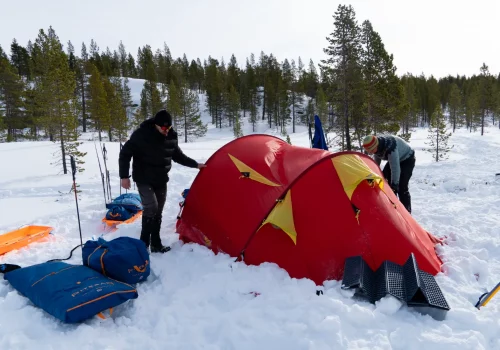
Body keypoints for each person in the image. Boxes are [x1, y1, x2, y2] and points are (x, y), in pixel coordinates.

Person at [119, 109, 206, 253]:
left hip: (160, 179)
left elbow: (177, 155)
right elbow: (125, 154)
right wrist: (124, 176)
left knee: (158, 211)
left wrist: (196, 164)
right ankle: (143, 245)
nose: (166, 130)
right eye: (163, 128)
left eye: (169, 127)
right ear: (156, 125)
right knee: (151, 208)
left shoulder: (171, 136)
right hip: (143, 178)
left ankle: (156, 244)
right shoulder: (141, 135)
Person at [362, 134, 415, 214]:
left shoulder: (391, 148)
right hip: (397, 158)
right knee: (385, 181)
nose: (371, 152)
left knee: (401, 186)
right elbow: (376, 165)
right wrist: (371, 176)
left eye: (372, 150)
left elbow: (395, 168)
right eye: (369, 151)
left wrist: (394, 185)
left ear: (376, 146)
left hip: (407, 158)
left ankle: (407, 213)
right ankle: (392, 210)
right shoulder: (377, 147)